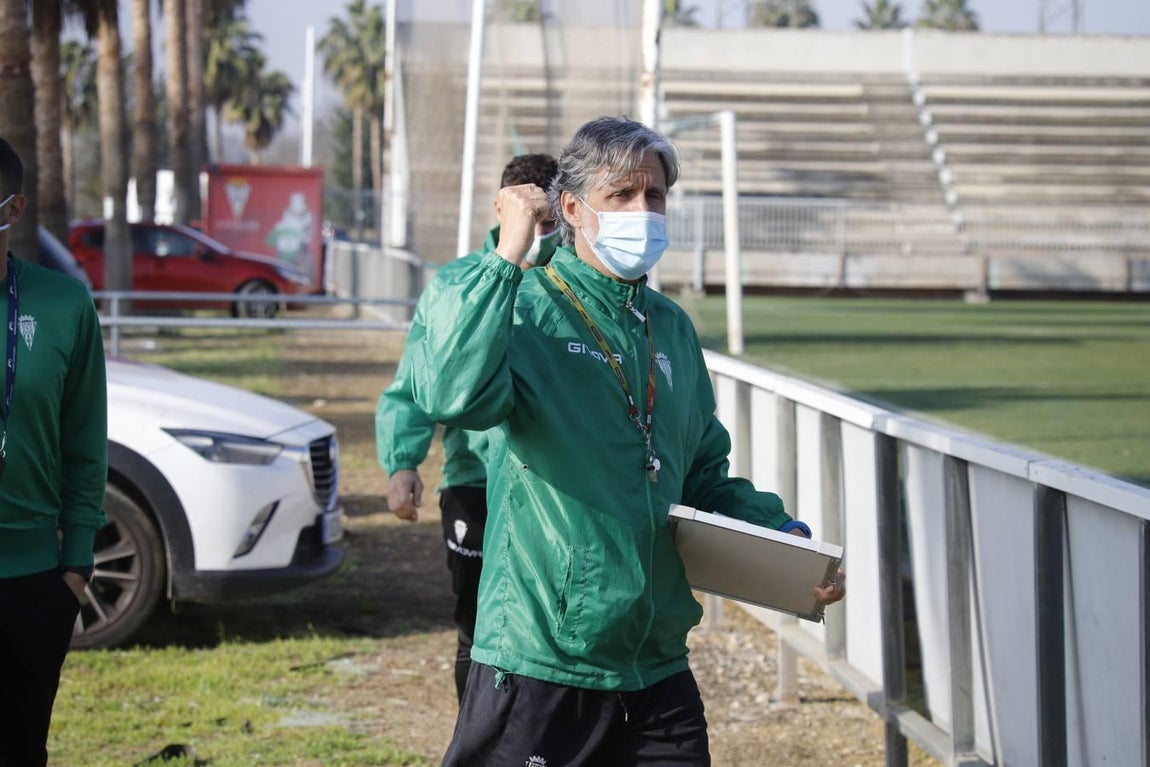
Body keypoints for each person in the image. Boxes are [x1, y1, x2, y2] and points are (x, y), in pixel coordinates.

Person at [407, 117, 845, 766]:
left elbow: (699, 471)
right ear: (573, 209)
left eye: (656, 196)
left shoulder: (669, 328)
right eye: (622, 195)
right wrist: (505, 256)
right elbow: (449, 393)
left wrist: (781, 536)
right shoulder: (524, 306)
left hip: (657, 665)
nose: (645, 211)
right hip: (543, 659)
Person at [376, 153, 560, 703]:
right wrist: (402, 462)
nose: (540, 233)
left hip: (549, 489)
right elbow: (416, 378)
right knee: (476, 627)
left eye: (549, 222)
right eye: (530, 218)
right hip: (475, 484)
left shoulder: (573, 289)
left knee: (542, 630)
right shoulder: (456, 284)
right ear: (503, 208)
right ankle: (477, 736)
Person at [0, 138, 108, 767]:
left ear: (12, 210)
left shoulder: (62, 303)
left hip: (34, 582)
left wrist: (75, 565)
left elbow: (84, 440)